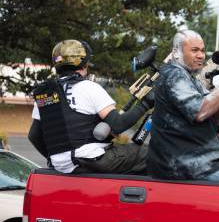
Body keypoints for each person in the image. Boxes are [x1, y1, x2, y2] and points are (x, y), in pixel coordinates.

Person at [28, 39, 151, 174]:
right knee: (149, 153)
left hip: (61, 165)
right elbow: (118, 125)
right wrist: (145, 104)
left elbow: (34, 136)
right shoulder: (89, 87)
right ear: (84, 64)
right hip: (89, 160)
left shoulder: (45, 94)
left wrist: (54, 159)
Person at [147, 29, 219, 182]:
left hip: (202, 164)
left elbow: (217, 119)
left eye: (202, 50)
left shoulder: (190, 78)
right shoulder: (174, 74)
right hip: (185, 166)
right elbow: (200, 112)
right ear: (176, 52)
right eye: (194, 50)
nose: (201, 55)